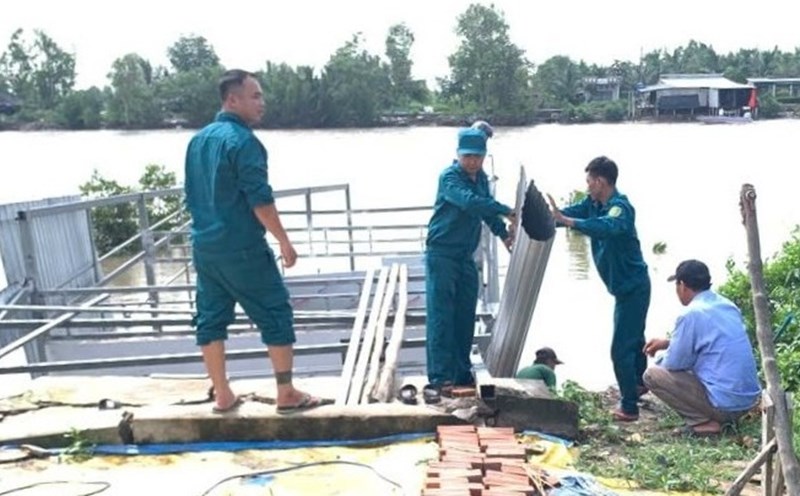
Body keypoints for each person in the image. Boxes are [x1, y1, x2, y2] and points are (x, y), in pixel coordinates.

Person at [184, 69, 322, 414]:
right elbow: (259, 199)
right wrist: (285, 242)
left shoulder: (198, 141)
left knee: (210, 319)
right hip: (241, 247)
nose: (263, 102)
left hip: (205, 246)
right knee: (275, 312)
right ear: (233, 100)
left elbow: (192, 194)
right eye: (255, 96)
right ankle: (286, 392)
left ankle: (222, 393)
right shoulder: (244, 143)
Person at [547, 156, 650, 422]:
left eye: (590, 181)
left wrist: (569, 222)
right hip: (623, 288)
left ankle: (629, 407)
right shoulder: (592, 204)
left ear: (601, 181)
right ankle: (638, 384)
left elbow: (608, 227)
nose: (587, 186)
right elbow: (569, 215)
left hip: (634, 288)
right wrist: (546, 218)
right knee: (635, 339)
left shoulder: (620, 208)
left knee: (620, 349)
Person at [425, 123, 516, 393]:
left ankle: (462, 373)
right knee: (442, 315)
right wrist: (507, 210)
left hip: (466, 255)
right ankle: (440, 377)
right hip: (441, 253)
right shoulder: (450, 178)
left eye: (477, 156)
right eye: (467, 156)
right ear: (458, 154)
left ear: (484, 155)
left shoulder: (482, 179)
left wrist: (503, 234)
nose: (472, 161)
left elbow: (486, 213)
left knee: (465, 313)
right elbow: (470, 202)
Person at [643, 260, 760, 436]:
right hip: (748, 402)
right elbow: (709, 341)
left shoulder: (691, 314)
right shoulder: (727, 305)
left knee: (652, 375)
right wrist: (668, 343)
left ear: (682, 285)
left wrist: (661, 358)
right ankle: (716, 417)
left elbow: (673, 364)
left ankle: (702, 422)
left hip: (724, 406)